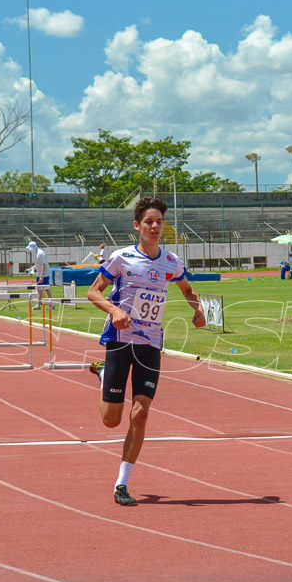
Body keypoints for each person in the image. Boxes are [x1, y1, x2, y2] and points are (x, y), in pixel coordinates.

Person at [86, 196, 206, 507]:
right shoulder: (122, 258)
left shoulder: (171, 262)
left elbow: (187, 289)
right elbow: (93, 291)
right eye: (149, 222)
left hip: (150, 344)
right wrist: (114, 310)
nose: (155, 226)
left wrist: (198, 308)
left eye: (159, 222)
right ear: (137, 226)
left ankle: (121, 484)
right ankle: (103, 376)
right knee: (111, 420)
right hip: (120, 340)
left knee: (139, 415)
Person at [26, 241, 50, 307]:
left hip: (44, 274)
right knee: (39, 289)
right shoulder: (35, 253)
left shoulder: (40, 253)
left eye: (30, 248)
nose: (30, 250)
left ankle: (51, 304)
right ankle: (38, 305)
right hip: (40, 273)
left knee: (47, 289)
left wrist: (42, 276)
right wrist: (30, 269)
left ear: (33, 247)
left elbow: (43, 265)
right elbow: (37, 264)